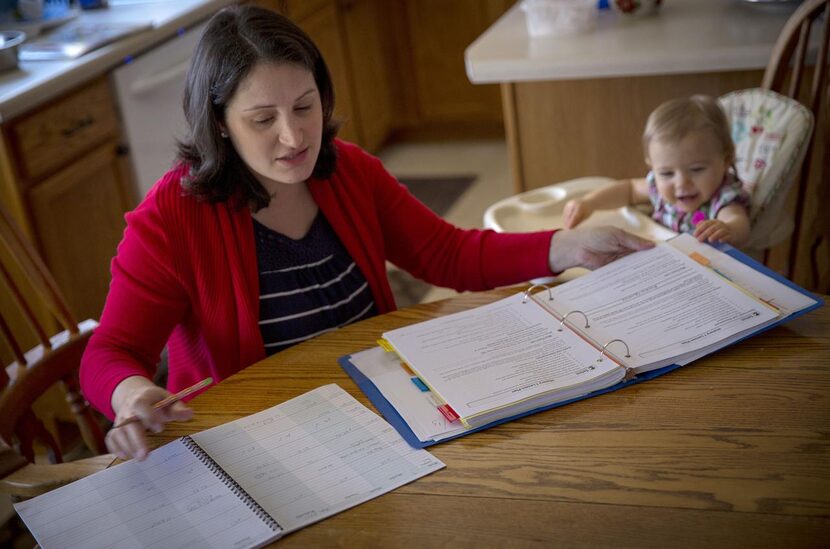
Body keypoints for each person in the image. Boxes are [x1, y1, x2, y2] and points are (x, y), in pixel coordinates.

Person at [80, 5, 653, 461]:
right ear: (220, 125)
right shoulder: (172, 218)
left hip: (382, 412)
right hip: (261, 441)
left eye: (305, 106)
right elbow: (110, 351)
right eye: (262, 120)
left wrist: (567, 245)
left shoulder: (348, 169)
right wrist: (130, 393)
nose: (293, 136)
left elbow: (446, 253)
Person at [563, 95, 751, 246]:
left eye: (696, 169)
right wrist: (589, 203)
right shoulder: (657, 186)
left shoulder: (723, 198)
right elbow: (628, 190)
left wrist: (728, 229)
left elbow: (739, 222)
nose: (681, 183)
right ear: (652, 166)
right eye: (667, 173)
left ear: (726, 160)